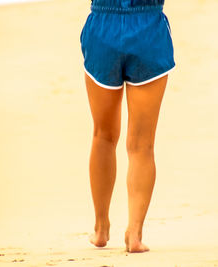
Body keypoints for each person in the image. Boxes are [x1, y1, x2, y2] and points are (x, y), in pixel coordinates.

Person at [79, 0, 175, 253]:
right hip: (148, 27)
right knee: (142, 144)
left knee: (103, 135)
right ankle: (135, 234)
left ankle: (100, 229)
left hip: (103, 25)